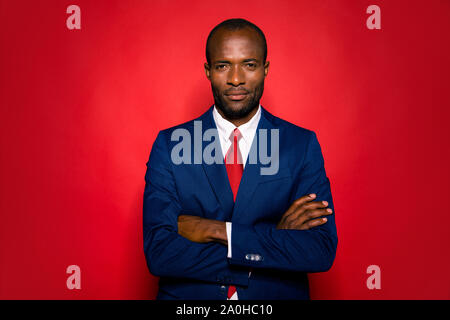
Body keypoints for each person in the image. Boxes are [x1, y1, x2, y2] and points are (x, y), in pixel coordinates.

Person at [143, 18, 337, 300]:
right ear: (208, 71)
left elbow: (319, 250)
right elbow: (160, 253)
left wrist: (218, 231)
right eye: (223, 66)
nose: (236, 78)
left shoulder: (301, 145)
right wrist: (273, 240)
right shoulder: (170, 145)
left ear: (265, 69)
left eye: (249, 64)